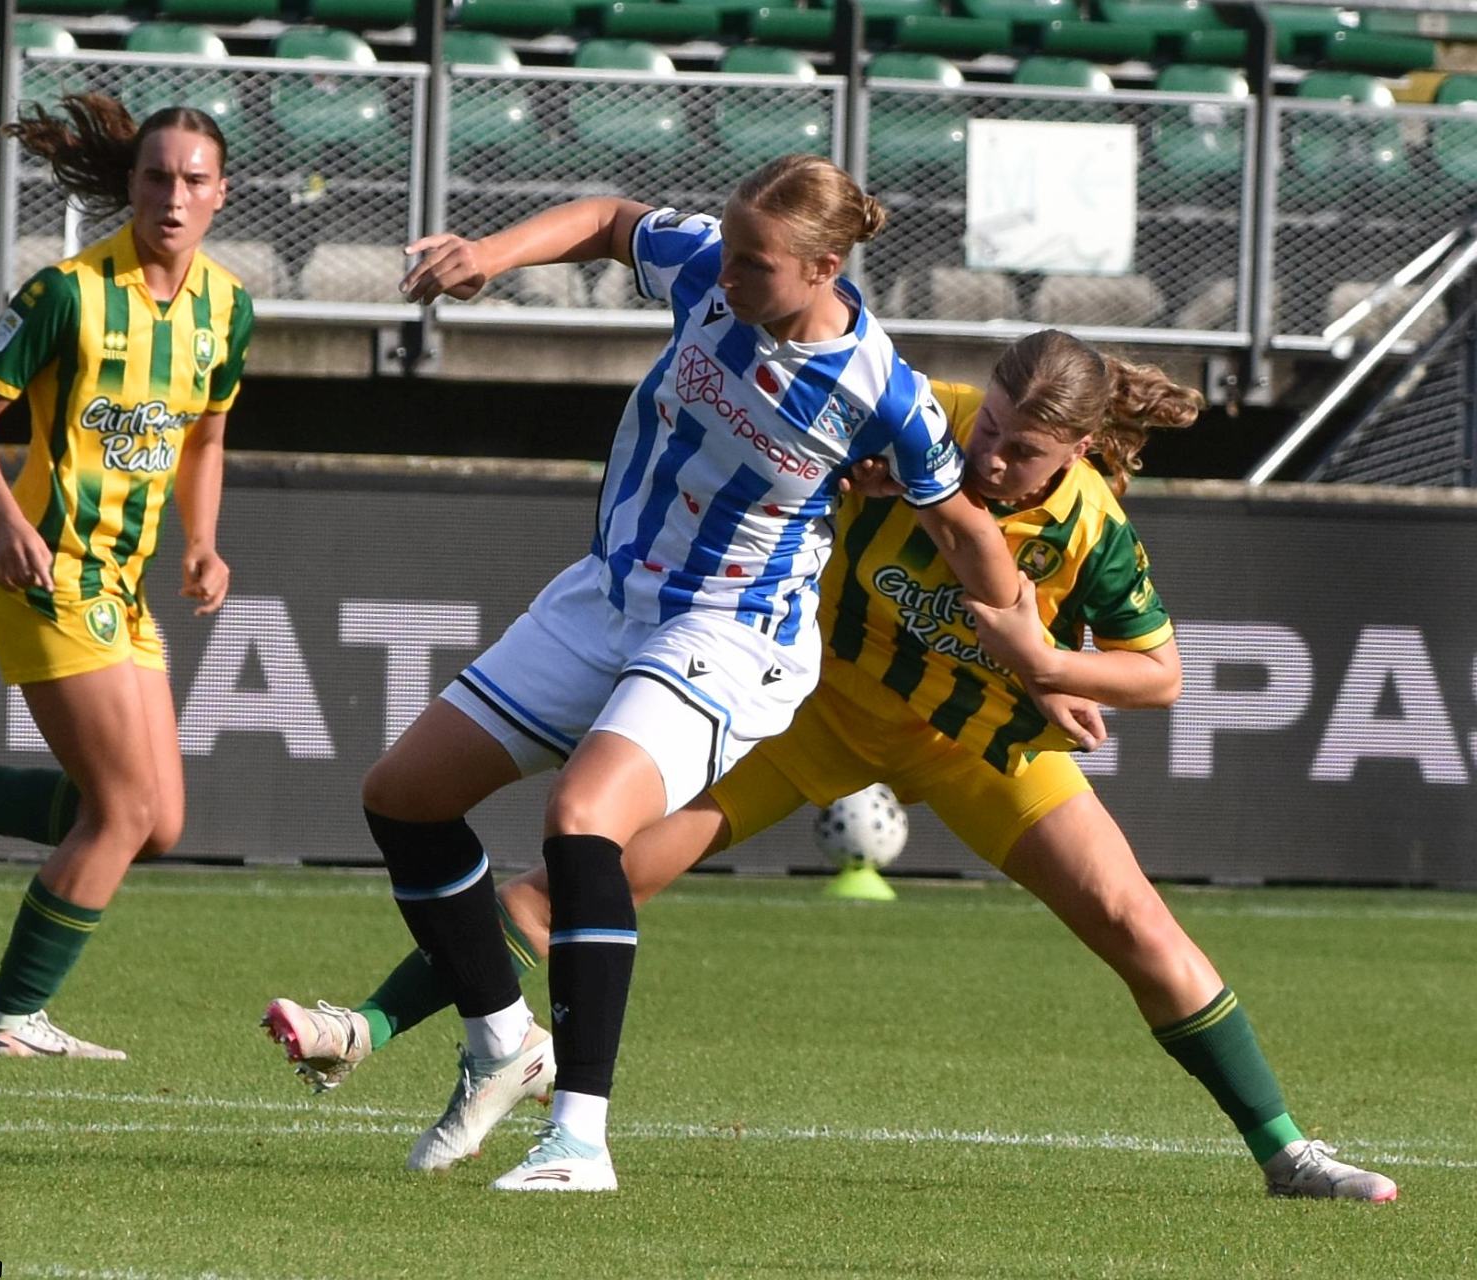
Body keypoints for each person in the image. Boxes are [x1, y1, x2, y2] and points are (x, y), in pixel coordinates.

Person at [263, 329, 1399, 1203]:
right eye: (991, 423)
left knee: (1132, 917)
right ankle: (366, 1027)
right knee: (572, 873)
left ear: (1084, 453)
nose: (990, 456)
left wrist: (1054, 666)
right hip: (807, 706)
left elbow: (1160, 674)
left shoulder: (1093, 526)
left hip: (968, 737)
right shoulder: (920, 420)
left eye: (1024, 449)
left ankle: (1288, 1150)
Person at [272, 155, 1029, 1193]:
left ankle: (579, 1135)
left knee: (584, 819)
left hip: (730, 632)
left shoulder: (880, 392)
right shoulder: (709, 267)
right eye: (731, 248)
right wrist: (482, 256)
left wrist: (1029, 643)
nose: (732, 275)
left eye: (758, 264)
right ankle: (502, 1039)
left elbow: (961, 530)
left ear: (824, 266)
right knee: (402, 797)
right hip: (612, 593)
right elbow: (607, 217)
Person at [0, 93, 253, 1060]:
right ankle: (9, 1020)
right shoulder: (66, 295)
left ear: (221, 195)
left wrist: (204, 543)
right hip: (43, 572)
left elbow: (207, 435)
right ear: (132, 185)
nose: (172, 195)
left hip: (123, 584)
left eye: (193, 180)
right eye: (156, 176)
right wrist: (5, 521)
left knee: (157, 826)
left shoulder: (228, 309)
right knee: (124, 811)